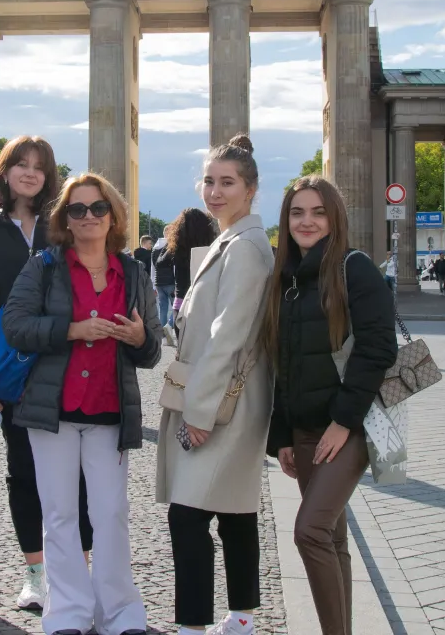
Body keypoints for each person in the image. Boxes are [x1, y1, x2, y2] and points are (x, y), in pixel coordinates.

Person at [2, 172, 161, 635]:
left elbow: (151, 351)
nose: (88, 216)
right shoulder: (43, 267)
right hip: (53, 411)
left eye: (97, 208)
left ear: (113, 216)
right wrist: (70, 330)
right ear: (65, 219)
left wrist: (138, 338)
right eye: (77, 209)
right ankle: (67, 612)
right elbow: (15, 325)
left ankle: (119, 612)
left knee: (111, 513)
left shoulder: (132, 273)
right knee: (59, 514)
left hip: (110, 411)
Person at [0, 135, 94, 613]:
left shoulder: (64, 226)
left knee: (76, 474)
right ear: (5, 170)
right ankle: (36, 574)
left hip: (65, 364)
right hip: (11, 373)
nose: (29, 173)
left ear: (48, 176)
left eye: (39, 166)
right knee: (23, 474)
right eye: (20, 163)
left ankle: (77, 570)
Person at [264, 176, 397, 635]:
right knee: (333, 538)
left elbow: (378, 349)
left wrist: (344, 421)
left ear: (334, 216)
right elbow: (282, 361)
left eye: (318, 212)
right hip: (302, 430)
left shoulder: (354, 268)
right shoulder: (284, 279)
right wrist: (281, 437)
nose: (307, 221)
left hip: (348, 428)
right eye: (297, 212)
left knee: (310, 533)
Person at [158, 135, 274, 635]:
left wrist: (199, 413)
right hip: (230, 396)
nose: (215, 191)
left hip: (221, 402)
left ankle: (193, 625)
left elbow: (230, 334)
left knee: (189, 517)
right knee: (233, 509)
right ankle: (242, 616)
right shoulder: (232, 240)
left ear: (251, 189)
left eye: (228, 182)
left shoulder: (244, 246)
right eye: (209, 181)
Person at [165, 208, 218, 339]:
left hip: (180, 301)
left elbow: (161, 261)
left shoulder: (177, 248)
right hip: (203, 302)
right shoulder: (211, 248)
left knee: (183, 353)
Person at [152, 234, 177, 339]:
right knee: (177, 307)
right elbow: (175, 266)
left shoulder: (154, 249)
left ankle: (163, 331)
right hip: (170, 281)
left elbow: (152, 267)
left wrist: (153, 284)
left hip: (158, 283)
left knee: (163, 307)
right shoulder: (171, 247)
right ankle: (169, 326)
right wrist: (177, 282)